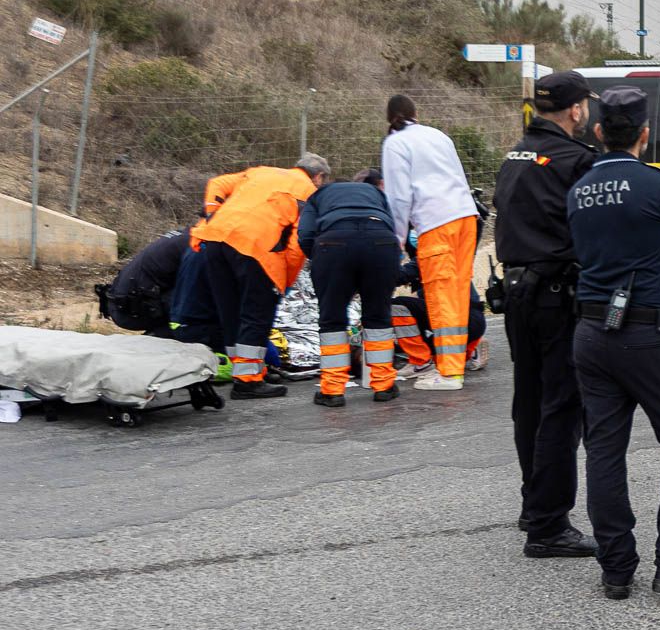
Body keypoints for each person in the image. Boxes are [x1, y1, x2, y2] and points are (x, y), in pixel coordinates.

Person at [568, 86, 660, 601]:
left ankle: (615, 570)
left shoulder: (580, 188)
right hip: (647, 331)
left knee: (604, 451)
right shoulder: (656, 184)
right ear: (645, 134)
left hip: (590, 332)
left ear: (596, 131)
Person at [493, 70, 600, 556]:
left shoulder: (515, 154)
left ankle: (532, 503)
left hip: (518, 292)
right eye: (585, 107)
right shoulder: (576, 161)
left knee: (529, 402)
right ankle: (549, 525)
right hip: (557, 293)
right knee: (562, 406)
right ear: (576, 110)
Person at [192, 156, 330, 398]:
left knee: (230, 310)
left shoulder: (259, 172)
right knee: (256, 313)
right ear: (318, 177)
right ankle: (248, 380)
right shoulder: (309, 193)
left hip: (216, 240)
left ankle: (244, 370)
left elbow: (217, 183)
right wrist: (284, 278)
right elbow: (298, 243)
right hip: (257, 249)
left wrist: (211, 215)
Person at [382, 95, 480, 391]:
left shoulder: (395, 144)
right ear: (416, 113)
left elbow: (398, 196)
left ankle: (449, 374)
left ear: (390, 120)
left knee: (441, 294)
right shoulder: (438, 135)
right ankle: (454, 364)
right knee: (459, 292)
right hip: (466, 217)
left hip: (436, 224)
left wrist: (398, 238)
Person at [298, 166, 402, 408]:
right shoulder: (376, 194)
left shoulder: (318, 195)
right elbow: (395, 224)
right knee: (378, 316)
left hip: (333, 244)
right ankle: (384, 385)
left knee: (332, 319)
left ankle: (333, 390)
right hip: (382, 244)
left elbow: (305, 234)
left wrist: (322, 261)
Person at [102, 228, 192, 336]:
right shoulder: (197, 246)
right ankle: (160, 337)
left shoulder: (189, 235)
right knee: (201, 303)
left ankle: (162, 334)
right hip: (129, 311)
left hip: (121, 303)